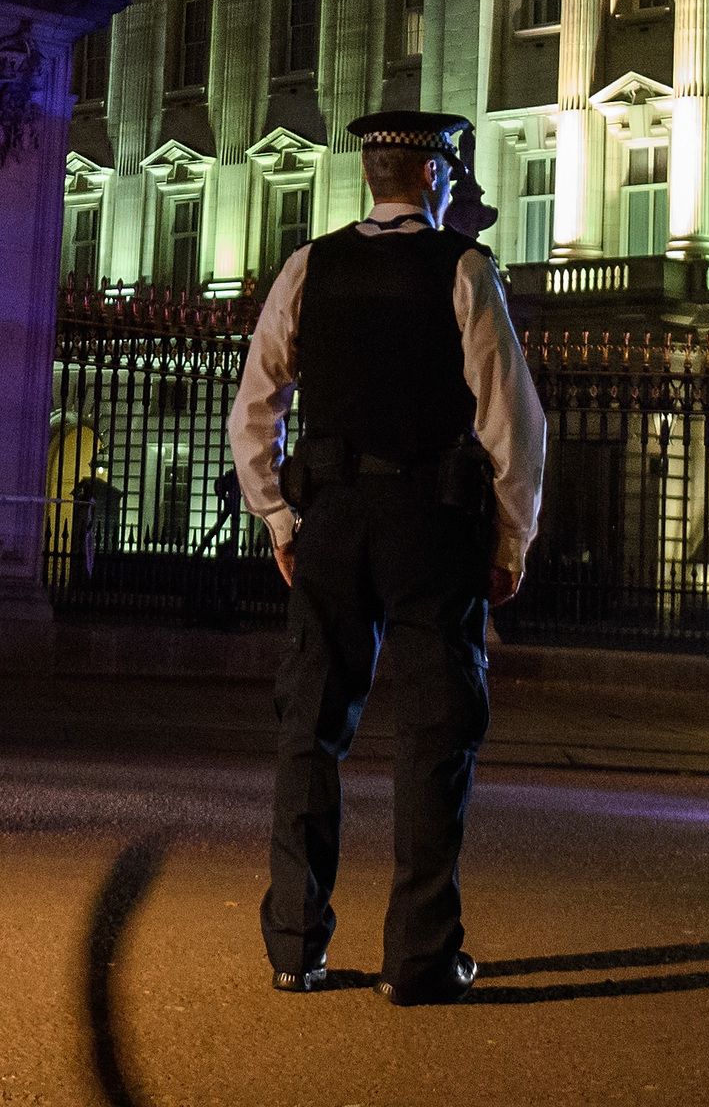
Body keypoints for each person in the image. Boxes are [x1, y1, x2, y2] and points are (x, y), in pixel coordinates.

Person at [228, 110, 547, 1006]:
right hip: (430, 525)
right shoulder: (463, 268)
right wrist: (510, 538)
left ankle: (295, 945)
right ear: (436, 179)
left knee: (310, 732)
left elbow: (255, 408)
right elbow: (510, 421)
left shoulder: (309, 265)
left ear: (371, 178)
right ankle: (419, 958)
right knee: (434, 735)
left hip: (331, 522)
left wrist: (281, 522)